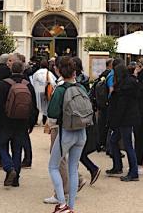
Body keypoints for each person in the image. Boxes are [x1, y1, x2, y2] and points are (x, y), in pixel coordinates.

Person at [0, 60, 37, 187]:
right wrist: (31, 123)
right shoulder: (28, 85)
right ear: (23, 70)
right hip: (22, 122)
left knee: (0, 144)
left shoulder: (4, 84)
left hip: (5, 122)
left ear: (11, 70)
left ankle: (9, 167)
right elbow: (33, 106)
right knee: (17, 149)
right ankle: (16, 179)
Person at [47, 56, 88, 213]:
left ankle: (62, 204)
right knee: (73, 168)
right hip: (82, 132)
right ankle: (71, 206)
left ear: (59, 71)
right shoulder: (81, 88)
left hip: (66, 132)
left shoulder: (61, 89)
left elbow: (52, 112)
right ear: (74, 71)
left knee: (53, 166)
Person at [107, 63, 140, 181]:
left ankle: (133, 172)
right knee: (115, 141)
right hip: (127, 118)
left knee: (127, 145)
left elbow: (121, 106)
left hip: (124, 119)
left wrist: (114, 121)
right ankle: (118, 166)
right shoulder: (130, 83)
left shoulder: (124, 86)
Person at [32, 59, 57, 125]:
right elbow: (53, 82)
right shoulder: (48, 73)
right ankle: (44, 120)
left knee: (37, 105)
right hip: (46, 91)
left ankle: (36, 121)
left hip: (37, 91)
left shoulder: (36, 73)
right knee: (46, 105)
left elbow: (33, 81)